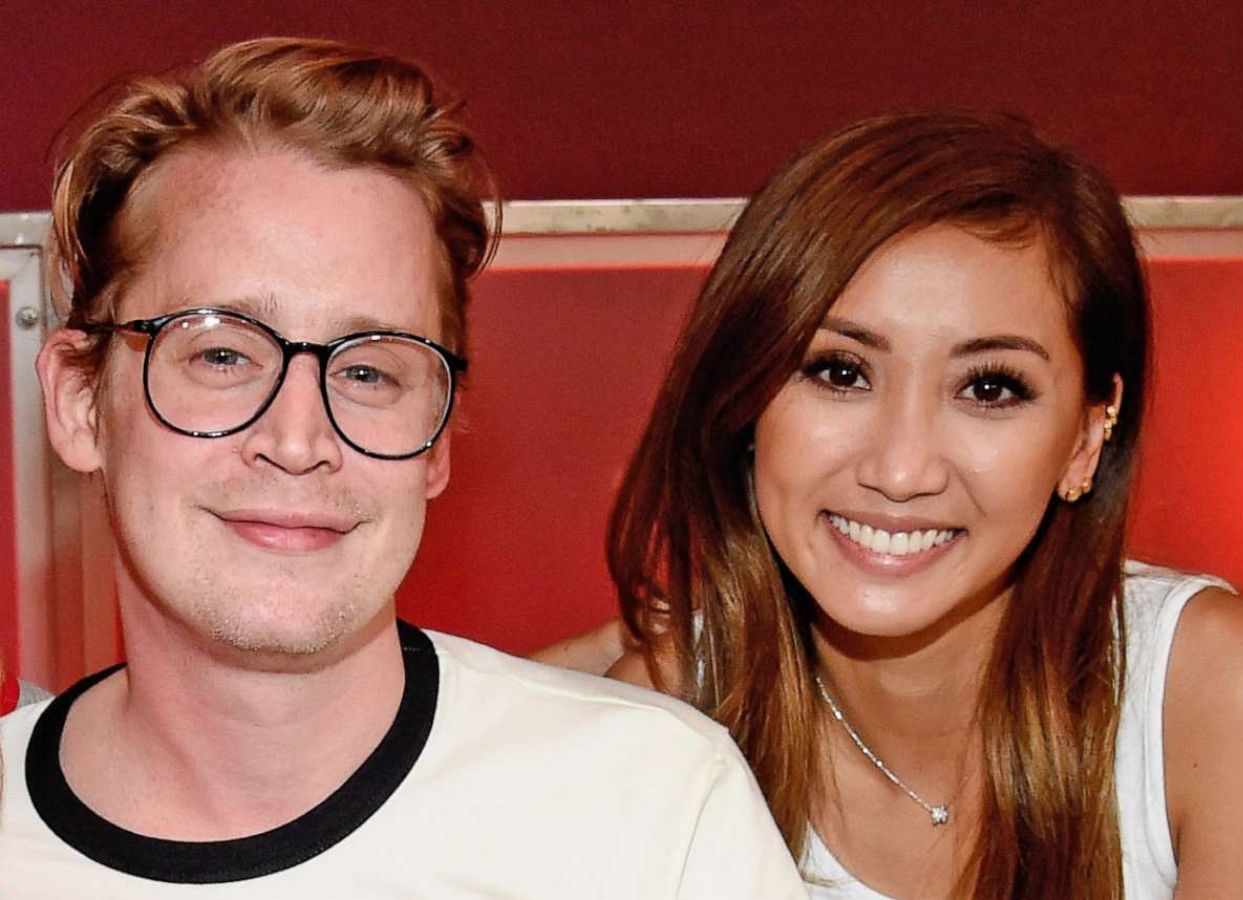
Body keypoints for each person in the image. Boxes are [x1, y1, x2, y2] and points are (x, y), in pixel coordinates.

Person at [0, 37, 805, 898]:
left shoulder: (655, 810)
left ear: (439, 437)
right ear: (82, 405)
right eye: (222, 355)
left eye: (368, 370)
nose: (299, 439)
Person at [598, 112, 1243, 898]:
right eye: (840, 372)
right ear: (744, 399)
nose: (900, 470)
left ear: (1088, 435)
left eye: (990, 387)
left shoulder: (1222, 700)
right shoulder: (662, 719)